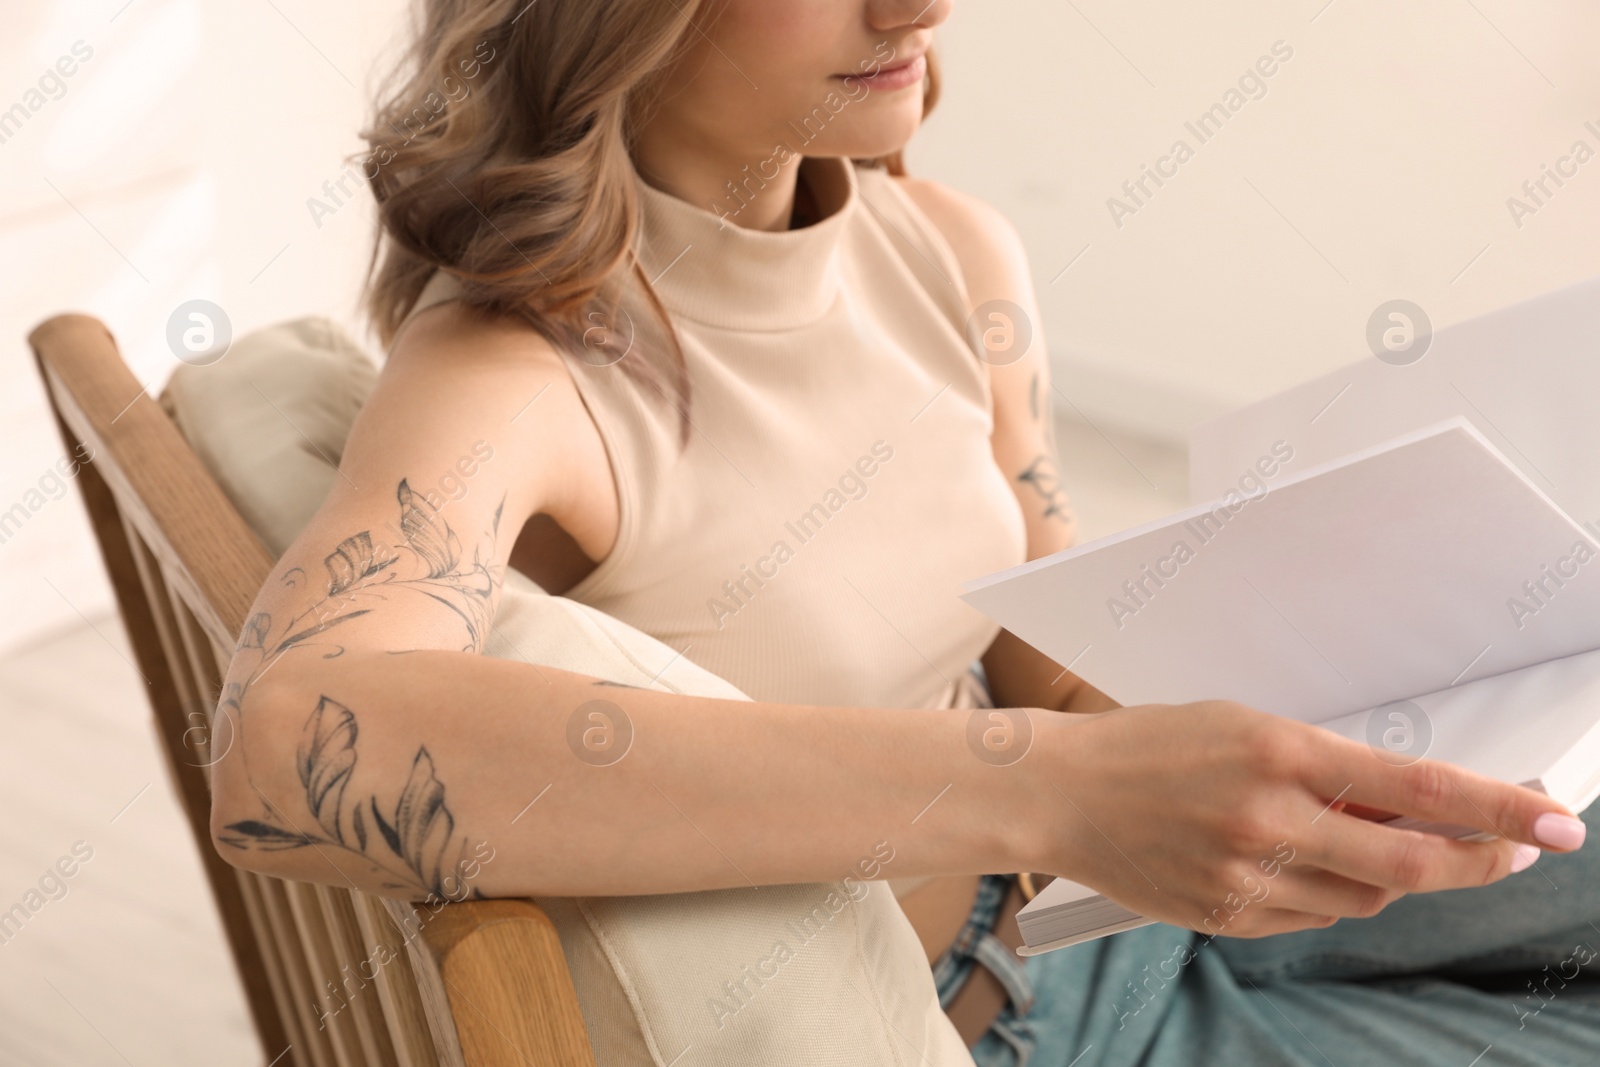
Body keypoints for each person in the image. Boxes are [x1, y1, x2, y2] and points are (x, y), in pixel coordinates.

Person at [208, 1, 1600, 1063]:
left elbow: (1039, 630)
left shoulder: (947, 248)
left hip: (1109, 903)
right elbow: (285, 745)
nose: (922, 2)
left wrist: (1283, 707)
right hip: (1002, 1014)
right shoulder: (517, 377)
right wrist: (1049, 784)